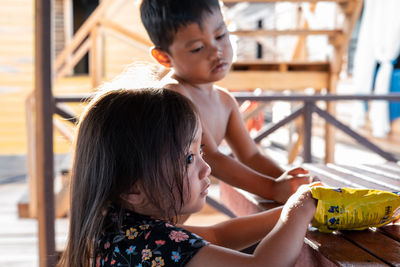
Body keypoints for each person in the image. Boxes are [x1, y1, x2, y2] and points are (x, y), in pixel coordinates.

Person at [58, 88, 316, 267]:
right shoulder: (154, 244)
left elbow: (217, 236)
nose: (207, 169)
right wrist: (299, 210)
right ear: (131, 188)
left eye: (200, 151)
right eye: (188, 159)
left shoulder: (120, 228)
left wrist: (286, 213)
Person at [140, 0, 311, 204]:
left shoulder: (225, 101)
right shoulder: (174, 96)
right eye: (197, 48)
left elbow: (251, 157)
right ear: (164, 57)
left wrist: (293, 182)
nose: (216, 51)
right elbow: (211, 157)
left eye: (221, 35)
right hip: (142, 222)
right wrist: (273, 189)